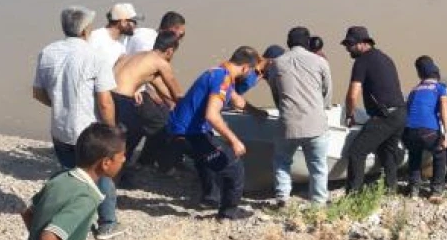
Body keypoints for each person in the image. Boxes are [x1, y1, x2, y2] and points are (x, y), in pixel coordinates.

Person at [33, 7, 121, 240]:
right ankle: (106, 224)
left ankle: (69, 219)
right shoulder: (94, 56)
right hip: (88, 131)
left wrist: (61, 105)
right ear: (85, 30)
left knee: (72, 174)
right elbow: (105, 102)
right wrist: (112, 131)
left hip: (60, 129)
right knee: (102, 178)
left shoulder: (47, 52)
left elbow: (38, 93)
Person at [165, 46, 260, 221]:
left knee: (208, 158)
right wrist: (234, 140)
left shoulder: (220, 72)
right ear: (246, 68)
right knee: (234, 167)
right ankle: (228, 213)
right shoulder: (223, 79)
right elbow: (212, 115)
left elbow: (237, 100)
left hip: (180, 129)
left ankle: (210, 199)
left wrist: (256, 113)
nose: (252, 75)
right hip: (189, 134)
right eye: (253, 71)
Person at [267, 27, 332, 207]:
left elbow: (276, 92)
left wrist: (284, 110)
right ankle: (318, 202)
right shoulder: (320, 62)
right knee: (318, 165)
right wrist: (321, 108)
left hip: (288, 123)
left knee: (282, 161)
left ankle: (282, 198)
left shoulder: (276, 64)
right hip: (315, 123)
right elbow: (327, 92)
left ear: (288, 43)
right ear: (308, 42)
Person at [111, 31, 184, 186]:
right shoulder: (161, 62)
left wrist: (171, 102)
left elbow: (160, 85)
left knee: (124, 133)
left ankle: (121, 169)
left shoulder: (139, 56)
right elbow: (176, 91)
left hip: (108, 95)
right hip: (123, 99)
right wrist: (188, 106)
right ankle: (118, 175)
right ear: (170, 51)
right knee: (131, 135)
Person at [340, 26, 406, 195]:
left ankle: (353, 195)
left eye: (350, 44)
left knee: (356, 152)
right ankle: (391, 190)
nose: (347, 48)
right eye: (346, 44)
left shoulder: (362, 61)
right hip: (400, 113)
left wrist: (350, 114)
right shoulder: (385, 58)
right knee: (387, 152)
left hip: (384, 116)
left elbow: (353, 94)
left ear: (363, 43)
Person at [403, 56, 447, 203]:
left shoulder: (414, 89)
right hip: (429, 131)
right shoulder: (440, 88)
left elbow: (408, 110)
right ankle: (436, 190)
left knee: (415, 154)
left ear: (420, 75)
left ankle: (414, 189)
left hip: (409, 131)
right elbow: (444, 110)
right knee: (439, 153)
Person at [88, 3, 142, 68]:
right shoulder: (96, 37)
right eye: (134, 22)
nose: (136, 25)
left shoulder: (123, 40)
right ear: (123, 22)